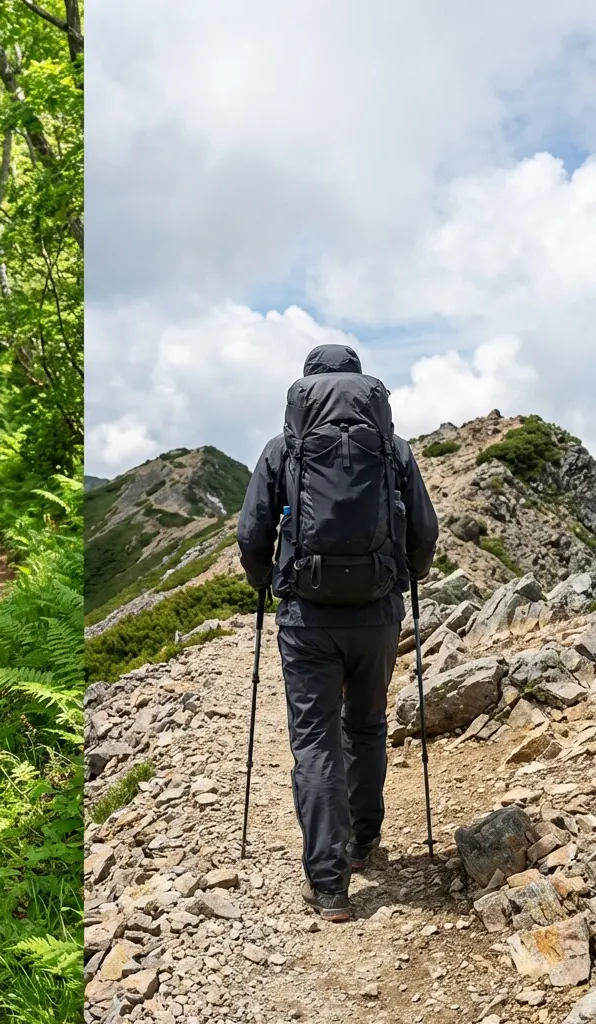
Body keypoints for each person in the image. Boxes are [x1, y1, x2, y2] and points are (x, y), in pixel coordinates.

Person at [236, 344, 437, 923]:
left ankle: (329, 886)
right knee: (368, 725)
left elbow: (252, 534)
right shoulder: (393, 450)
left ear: (305, 389)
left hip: (307, 619)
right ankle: (363, 842)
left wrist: (268, 584)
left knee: (316, 743)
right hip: (377, 613)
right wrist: (406, 576)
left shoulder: (285, 448)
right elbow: (425, 530)